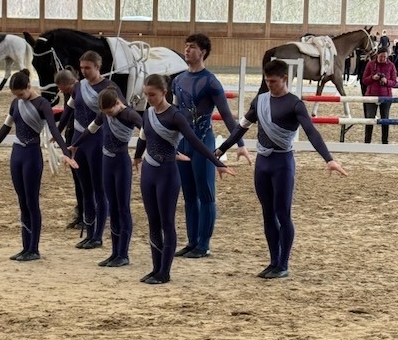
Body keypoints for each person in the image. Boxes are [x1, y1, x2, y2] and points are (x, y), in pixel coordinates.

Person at [216, 59, 347, 280]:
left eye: (273, 81)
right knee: (267, 213)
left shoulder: (295, 104)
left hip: (282, 163)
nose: (269, 85)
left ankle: (283, 264)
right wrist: (222, 149)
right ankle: (273, 261)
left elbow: (311, 132)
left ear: (285, 79)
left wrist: (329, 159)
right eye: (267, 81)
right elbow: (242, 127)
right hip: (263, 163)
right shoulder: (260, 101)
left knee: (282, 213)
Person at [134, 74, 235, 285]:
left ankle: (165, 272)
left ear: (164, 92)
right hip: (149, 172)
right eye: (146, 95)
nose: (149, 99)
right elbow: (143, 136)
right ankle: (155, 268)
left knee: (167, 222)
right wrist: (137, 157)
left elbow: (196, 143)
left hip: (167, 174)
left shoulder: (175, 116)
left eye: (152, 95)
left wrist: (218, 163)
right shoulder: (148, 113)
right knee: (153, 222)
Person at [0, 69, 78, 261]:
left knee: (32, 202)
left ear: (28, 86)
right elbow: (6, 127)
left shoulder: (42, 104)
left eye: (21, 94)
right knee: (22, 201)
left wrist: (66, 153)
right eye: (16, 95)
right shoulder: (15, 103)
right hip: (17, 154)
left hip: (32, 155)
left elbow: (54, 130)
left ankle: (34, 248)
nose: (19, 98)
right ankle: (25, 247)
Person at [171, 33, 251, 259]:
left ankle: (204, 244)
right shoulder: (177, 81)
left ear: (203, 52)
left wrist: (240, 143)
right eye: (186, 46)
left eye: (192, 47)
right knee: (189, 196)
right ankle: (192, 241)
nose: (187, 50)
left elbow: (226, 114)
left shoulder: (211, 82)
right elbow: (175, 113)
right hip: (183, 143)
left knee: (205, 194)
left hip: (203, 143)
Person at [57, 51, 125, 250]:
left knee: (99, 189)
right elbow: (69, 109)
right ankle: (89, 232)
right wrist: (58, 130)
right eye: (82, 68)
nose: (84, 71)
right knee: (85, 189)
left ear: (98, 67)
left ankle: (98, 235)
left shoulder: (109, 87)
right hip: (79, 141)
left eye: (88, 68)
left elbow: (123, 109)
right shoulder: (79, 86)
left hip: (98, 141)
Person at [71, 86, 142, 267]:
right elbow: (91, 129)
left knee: (122, 208)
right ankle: (114, 252)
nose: (108, 115)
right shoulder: (104, 114)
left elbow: (146, 132)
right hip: (107, 163)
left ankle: (123, 254)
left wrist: (139, 155)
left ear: (118, 102)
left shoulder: (130, 115)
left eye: (110, 111)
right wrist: (75, 145)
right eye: (105, 112)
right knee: (113, 208)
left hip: (121, 164)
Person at [54, 66, 84, 230]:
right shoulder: (71, 92)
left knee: (84, 180)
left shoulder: (82, 92)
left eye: (64, 90)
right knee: (77, 179)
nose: (63, 93)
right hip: (71, 136)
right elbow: (66, 113)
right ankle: (81, 212)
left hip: (82, 139)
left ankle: (87, 214)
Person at [362, 48, 398, 144]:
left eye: (385, 57)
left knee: (385, 119)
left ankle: (385, 142)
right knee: (369, 119)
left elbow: (394, 82)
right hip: (371, 96)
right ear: (377, 55)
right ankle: (367, 141)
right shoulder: (370, 64)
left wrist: (386, 81)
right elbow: (364, 80)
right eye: (381, 56)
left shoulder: (391, 66)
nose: (383, 59)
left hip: (386, 97)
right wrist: (372, 78)